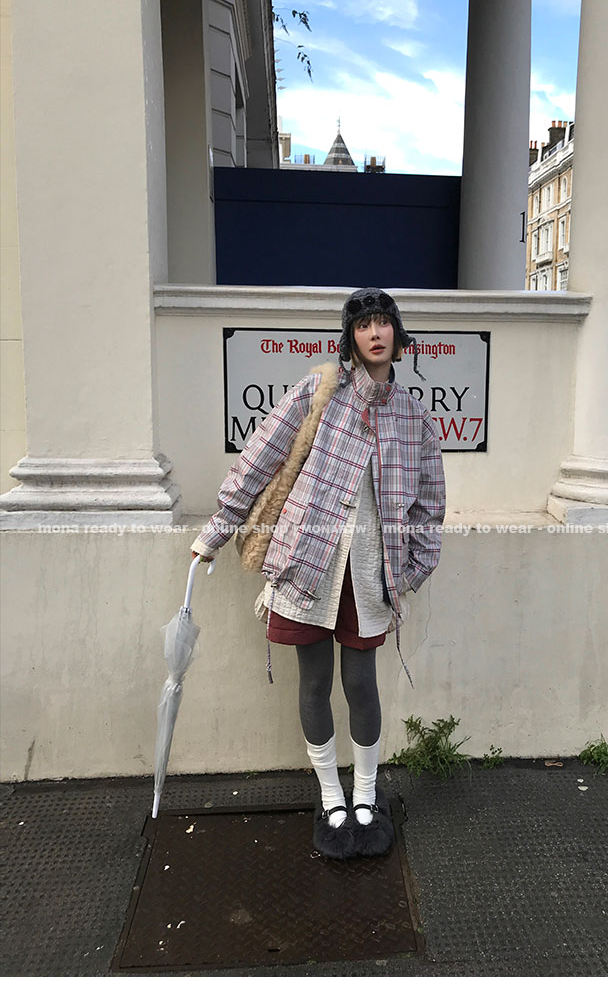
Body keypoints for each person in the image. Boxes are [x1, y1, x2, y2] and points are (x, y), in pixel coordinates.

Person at [190, 288, 446, 859]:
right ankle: (331, 794)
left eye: (383, 322)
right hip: (307, 561)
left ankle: (366, 792)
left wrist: (411, 571)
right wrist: (215, 533)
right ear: (350, 337)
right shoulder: (318, 392)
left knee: (361, 682)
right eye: (363, 324)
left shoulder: (414, 417)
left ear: (398, 335)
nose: (374, 333)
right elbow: (259, 459)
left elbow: (430, 506)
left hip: (371, 571)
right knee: (313, 682)